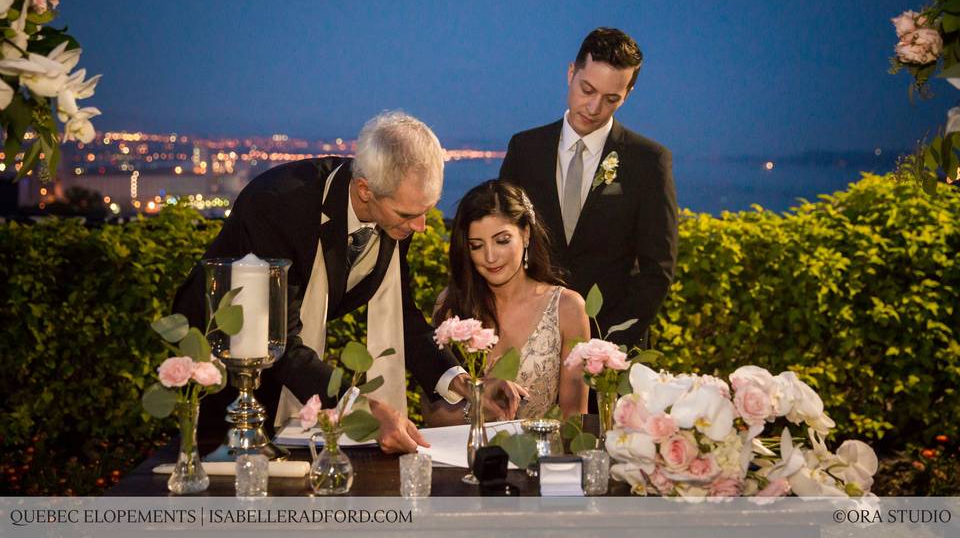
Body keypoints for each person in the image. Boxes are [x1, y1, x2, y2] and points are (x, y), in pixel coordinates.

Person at [173, 111, 522, 453]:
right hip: (220, 359)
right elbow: (277, 340)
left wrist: (463, 382)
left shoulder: (396, 210)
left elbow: (402, 314)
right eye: (408, 215)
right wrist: (362, 407)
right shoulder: (278, 206)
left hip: (281, 351)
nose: (420, 227)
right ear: (365, 190)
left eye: (426, 211)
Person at [499, 27, 678, 350]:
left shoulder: (649, 161)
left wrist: (607, 345)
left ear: (628, 94)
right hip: (528, 341)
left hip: (611, 347)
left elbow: (658, 270)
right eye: (587, 89)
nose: (594, 108)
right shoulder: (525, 149)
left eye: (611, 99)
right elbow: (500, 239)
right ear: (571, 72)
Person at [423, 180, 590, 426]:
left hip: (537, 458)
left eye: (502, 240)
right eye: (477, 246)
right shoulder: (451, 304)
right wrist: (479, 410)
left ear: (525, 234)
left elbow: (574, 419)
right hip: (462, 458)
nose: (490, 257)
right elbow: (431, 413)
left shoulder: (567, 308)